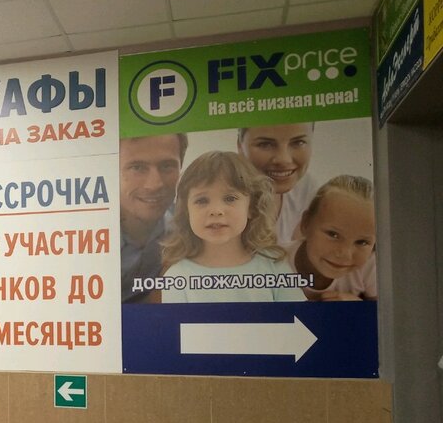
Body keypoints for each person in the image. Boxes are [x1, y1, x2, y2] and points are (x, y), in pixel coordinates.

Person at [160, 150, 305, 303]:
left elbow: (300, 315)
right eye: (202, 200)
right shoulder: (177, 277)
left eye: (230, 198)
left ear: (252, 207)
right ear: (186, 211)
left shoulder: (274, 265)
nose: (216, 211)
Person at [286, 175, 377, 301]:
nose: (345, 253)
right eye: (333, 234)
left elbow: (388, 310)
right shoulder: (274, 262)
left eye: (362, 242)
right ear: (306, 223)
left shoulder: (371, 267)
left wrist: (358, 307)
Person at [119, 133, 186, 302]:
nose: (154, 184)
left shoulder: (190, 229)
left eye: (167, 166)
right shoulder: (82, 236)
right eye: (137, 168)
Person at [237, 122, 317, 245]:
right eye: (265, 144)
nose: (283, 159)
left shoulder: (305, 188)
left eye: (298, 142)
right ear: (240, 146)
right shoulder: (218, 195)